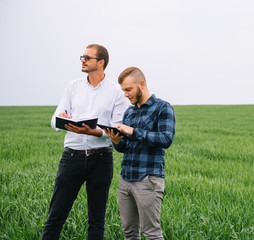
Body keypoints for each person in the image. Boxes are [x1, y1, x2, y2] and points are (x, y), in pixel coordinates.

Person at [42, 44, 129, 240]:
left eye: (87, 57)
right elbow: (54, 121)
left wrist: (93, 132)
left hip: (101, 160)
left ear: (101, 62)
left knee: (97, 222)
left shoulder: (116, 91)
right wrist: (65, 121)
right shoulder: (72, 87)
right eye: (82, 56)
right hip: (72, 157)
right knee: (55, 216)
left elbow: (118, 127)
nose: (82, 60)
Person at [105, 67, 176, 239]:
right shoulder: (129, 112)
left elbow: (166, 139)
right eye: (123, 90)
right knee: (129, 233)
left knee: (151, 233)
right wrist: (117, 141)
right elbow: (125, 147)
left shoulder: (162, 108)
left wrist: (133, 131)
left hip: (148, 179)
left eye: (128, 89)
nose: (125, 94)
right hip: (126, 179)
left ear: (142, 84)